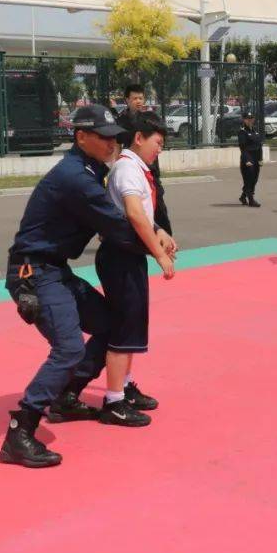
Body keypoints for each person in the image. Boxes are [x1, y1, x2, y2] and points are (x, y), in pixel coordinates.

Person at [0, 104, 177, 468]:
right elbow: (116, 224)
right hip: (33, 273)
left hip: (55, 269)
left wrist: (157, 232)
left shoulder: (92, 170)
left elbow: (121, 217)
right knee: (67, 348)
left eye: (116, 136)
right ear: (81, 137)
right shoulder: (75, 178)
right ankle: (20, 431)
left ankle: (66, 397)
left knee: (110, 325)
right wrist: (158, 247)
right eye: (105, 137)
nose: (113, 143)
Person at [97, 111, 176, 426]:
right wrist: (159, 254)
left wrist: (160, 232)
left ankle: (125, 387)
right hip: (119, 257)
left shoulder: (136, 168)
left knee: (131, 327)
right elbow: (133, 213)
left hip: (128, 256)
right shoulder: (128, 169)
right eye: (157, 142)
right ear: (139, 138)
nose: (160, 148)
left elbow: (143, 214)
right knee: (123, 328)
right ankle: (113, 401)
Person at [117, 84, 171, 234]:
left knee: (158, 202)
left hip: (150, 169)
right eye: (134, 98)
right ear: (127, 100)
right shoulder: (121, 121)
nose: (138, 101)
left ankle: (164, 233)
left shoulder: (150, 119)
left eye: (141, 98)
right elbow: (117, 145)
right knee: (133, 204)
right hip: (132, 168)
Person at [237, 110, 263, 207]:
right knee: (249, 179)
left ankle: (243, 196)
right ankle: (251, 199)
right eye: (248, 119)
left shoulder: (255, 131)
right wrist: (246, 160)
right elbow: (243, 148)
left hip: (256, 158)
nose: (250, 120)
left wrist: (260, 159)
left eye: (251, 118)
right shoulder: (242, 132)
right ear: (244, 120)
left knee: (254, 179)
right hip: (248, 158)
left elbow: (259, 146)